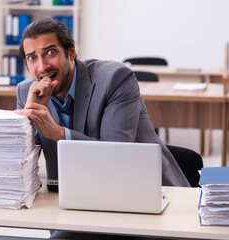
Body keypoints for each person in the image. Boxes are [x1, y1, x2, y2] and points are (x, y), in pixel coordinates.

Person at [15, 18, 189, 188]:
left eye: (51, 52)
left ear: (71, 53)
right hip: (69, 193)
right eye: (32, 58)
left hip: (141, 188)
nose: (43, 66)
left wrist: (58, 133)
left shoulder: (115, 79)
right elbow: (17, 165)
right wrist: (28, 123)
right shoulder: (27, 93)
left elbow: (115, 155)